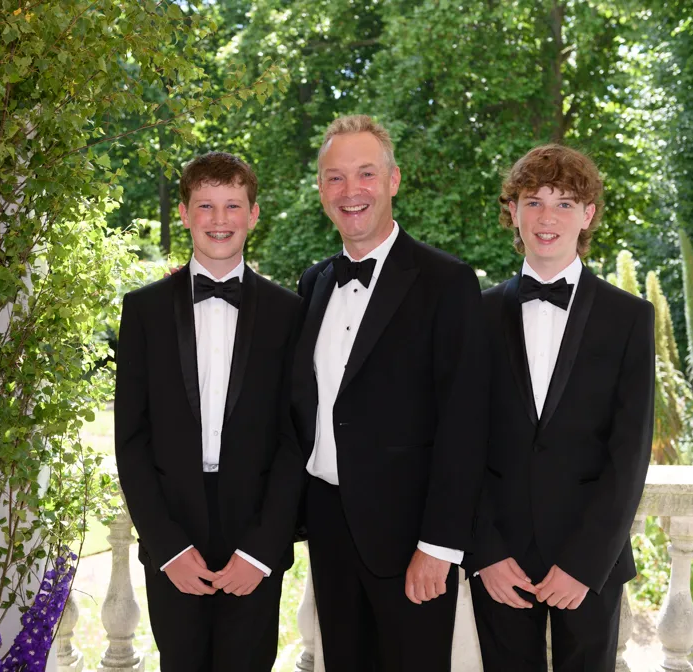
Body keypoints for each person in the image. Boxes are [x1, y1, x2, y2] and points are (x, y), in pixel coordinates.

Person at [290, 114, 488, 672]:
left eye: (366, 174)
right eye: (335, 177)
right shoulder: (314, 283)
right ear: (322, 189)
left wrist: (439, 546)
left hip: (412, 541)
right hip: (329, 530)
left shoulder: (447, 283)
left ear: (394, 180)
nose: (351, 191)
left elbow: (465, 424)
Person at [464, 144, 654, 672]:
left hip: (590, 561)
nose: (547, 217)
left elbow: (629, 454)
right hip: (500, 560)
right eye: (533, 201)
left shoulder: (630, 318)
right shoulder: (473, 315)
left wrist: (585, 564)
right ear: (514, 212)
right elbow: (458, 445)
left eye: (565, 203)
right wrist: (485, 553)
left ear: (588, 214)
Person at [114, 151, 304, 672]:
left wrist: (264, 548)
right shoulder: (144, 310)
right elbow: (130, 439)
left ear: (253, 214)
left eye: (232, 206)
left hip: (254, 526)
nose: (219, 220)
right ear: (183, 213)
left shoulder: (289, 312)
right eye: (205, 206)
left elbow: (295, 440)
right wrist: (167, 546)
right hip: (173, 527)